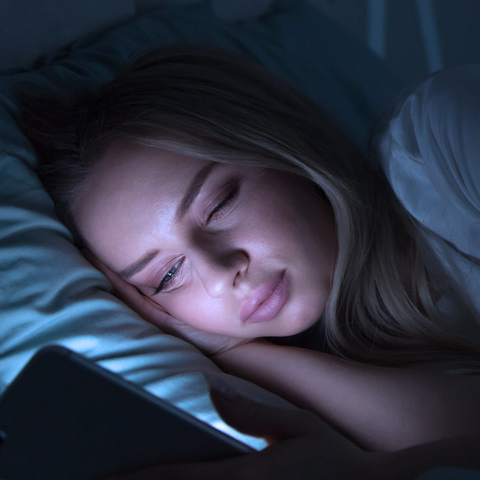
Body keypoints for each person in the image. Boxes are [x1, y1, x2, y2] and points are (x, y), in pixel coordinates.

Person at [18, 46, 480, 478]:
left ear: (286, 150)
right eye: (168, 276)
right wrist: (228, 351)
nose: (221, 273)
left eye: (218, 206)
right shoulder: (361, 362)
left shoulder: (441, 137)